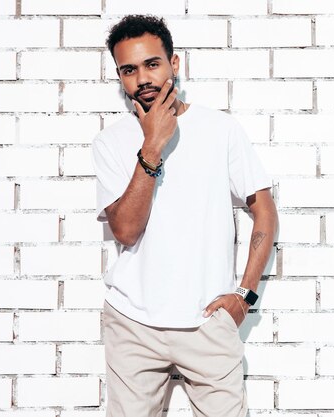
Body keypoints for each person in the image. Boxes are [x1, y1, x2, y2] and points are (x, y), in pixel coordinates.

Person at [92, 14, 278, 417]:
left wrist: (244, 296)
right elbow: (125, 231)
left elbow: (263, 210)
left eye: (152, 64)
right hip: (133, 324)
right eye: (129, 69)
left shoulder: (220, 129)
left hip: (207, 322)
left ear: (174, 64)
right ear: (120, 77)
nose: (142, 78)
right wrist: (153, 145)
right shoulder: (110, 143)